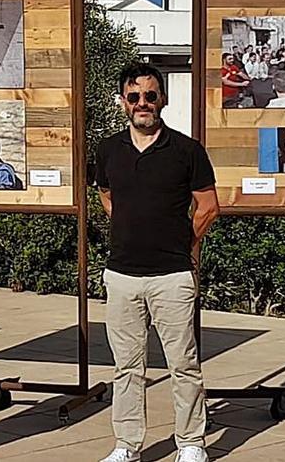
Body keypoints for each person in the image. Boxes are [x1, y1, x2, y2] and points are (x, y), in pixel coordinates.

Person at [96, 63, 219, 462]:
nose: (143, 103)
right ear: (123, 103)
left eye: (150, 95)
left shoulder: (187, 150)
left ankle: (190, 442)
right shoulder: (109, 150)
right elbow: (107, 197)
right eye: (134, 97)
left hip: (173, 275)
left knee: (183, 364)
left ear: (163, 99)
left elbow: (208, 206)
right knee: (126, 367)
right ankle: (127, 445)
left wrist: (185, 242)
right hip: (122, 275)